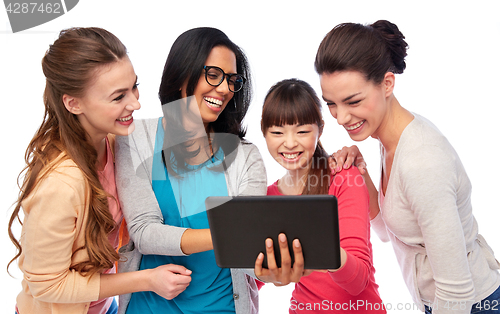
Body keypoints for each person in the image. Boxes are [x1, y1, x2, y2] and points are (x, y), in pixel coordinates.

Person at [315, 20, 500, 314]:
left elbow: (457, 291)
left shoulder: (421, 160)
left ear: (387, 84)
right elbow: (390, 231)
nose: (341, 117)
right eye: (332, 104)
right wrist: (362, 173)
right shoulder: (388, 137)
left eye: (352, 101)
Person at [7, 27, 192, 314]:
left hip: (103, 308)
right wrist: (145, 280)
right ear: (73, 103)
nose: (135, 103)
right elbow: (46, 285)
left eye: (134, 86)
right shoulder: (60, 185)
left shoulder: (115, 143)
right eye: (118, 97)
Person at [115, 27, 267, 314]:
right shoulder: (135, 139)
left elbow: (249, 249)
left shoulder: (245, 156)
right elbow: (145, 232)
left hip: (222, 307)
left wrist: (272, 271)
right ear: (183, 73)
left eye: (232, 80)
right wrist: (226, 236)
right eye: (213, 75)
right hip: (149, 307)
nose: (224, 89)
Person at [255, 78, 386, 313]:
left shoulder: (345, 176)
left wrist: (315, 241)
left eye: (302, 131)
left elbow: (357, 281)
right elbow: (252, 279)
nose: (290, 143)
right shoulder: (267, 198)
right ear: (264, 132)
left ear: (320, 129)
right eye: (277, 132)